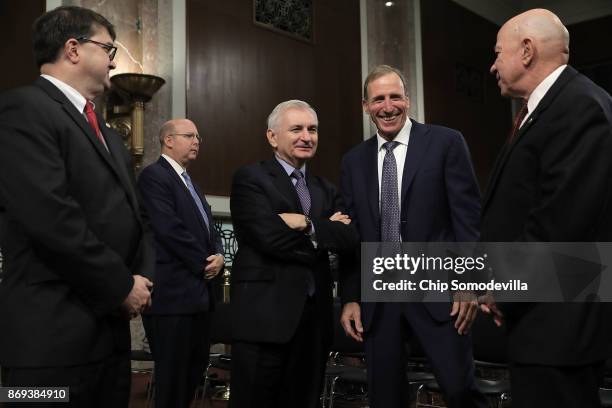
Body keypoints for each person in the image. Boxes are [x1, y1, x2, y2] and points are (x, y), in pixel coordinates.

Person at [0, 6, 153, 407]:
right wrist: (121, 285)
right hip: (49, 338)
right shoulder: (22, 110)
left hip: (107, 332)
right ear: (73, 48)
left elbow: (135, 214)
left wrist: (141, 277)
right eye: (107, 48)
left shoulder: (107, 133)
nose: (113, 60)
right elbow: (51, 217)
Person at [481, 9, 612, 407]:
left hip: (559, 325)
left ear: (526, 51)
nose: (492, 66)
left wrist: (504, 290)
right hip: (540, 318)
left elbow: (558, 222)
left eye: (497, 53)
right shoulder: (549, 107)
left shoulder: (580, 106)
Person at [339, 65, 486, 408]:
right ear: (365, 106)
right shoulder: (353, 161)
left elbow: (468, 219)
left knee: (460, 390)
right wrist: (350, 296)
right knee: (384, 397)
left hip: (440, 297)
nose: (387, 106)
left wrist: (469, 280)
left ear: (408, 100)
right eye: (378, 99)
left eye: (394, 96)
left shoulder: (446, 142)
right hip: (379, 299)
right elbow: (353, 237)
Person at [228, 100, 359, 408]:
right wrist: (325, 231)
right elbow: (267, 237)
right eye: (296, 129)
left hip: (314, 325)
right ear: (272, 137)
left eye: (312, 129)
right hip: (264, 321)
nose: (306, 136)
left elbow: (350, 237)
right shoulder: (250, 178)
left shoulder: (325, 189)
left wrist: (305, 223)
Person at [137, 119, 224, 408]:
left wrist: (220, 255)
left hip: (199, 297)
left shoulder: (192, 184)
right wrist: (203, 262)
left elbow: (210, 229)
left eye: (198, 136)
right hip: (172, 297)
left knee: (193, 373)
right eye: (189, 135)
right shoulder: (154, 176)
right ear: (169, 140)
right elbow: (168, 229)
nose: (197, 141)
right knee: (172, 381)